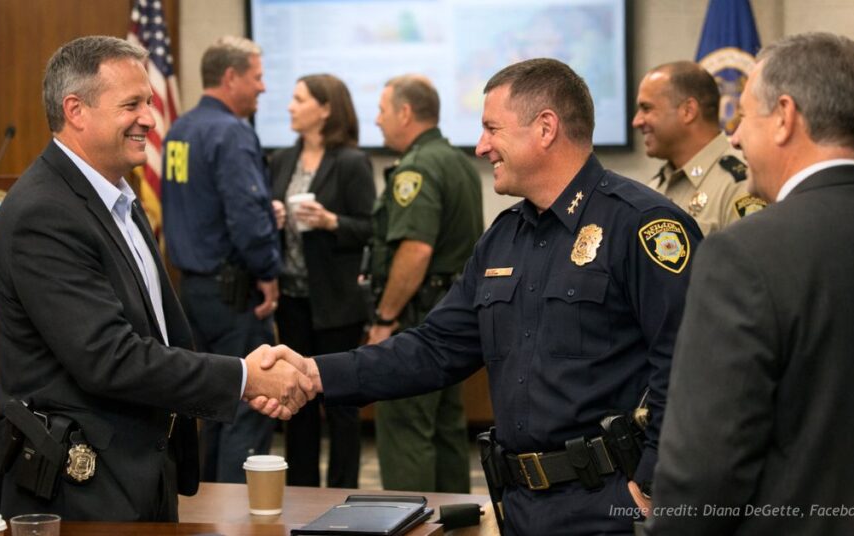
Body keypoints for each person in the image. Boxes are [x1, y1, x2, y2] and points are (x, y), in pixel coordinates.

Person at [256, 58, 704, 534]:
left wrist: (650, 486)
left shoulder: (643, 225)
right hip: (519, 506)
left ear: (546, 128)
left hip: (611, 506)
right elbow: (434, 349)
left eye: (493, 128)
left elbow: (690, 367)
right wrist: (315, 372)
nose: (481, 145)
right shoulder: (504, 236)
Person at [0, 35, 312, 522]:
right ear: (76, 110)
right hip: (75, 489)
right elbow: (109, 357)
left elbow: (156, 335)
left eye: (149, 102)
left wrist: (237, 368)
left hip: (136, 470)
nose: (151, 119)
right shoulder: (44, 213)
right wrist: (242, 377)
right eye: (132, 104)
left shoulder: (116, 199)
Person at [647, 33, 854, 535]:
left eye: (742, 117)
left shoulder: (741, 255)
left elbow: (705, 466)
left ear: (785, 116)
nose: (735, 138)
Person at [161, 36, 281, 483]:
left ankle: (208, 511)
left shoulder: (179, 129)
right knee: (246, 406)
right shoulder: (232, 132)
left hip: (192, 290)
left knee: (210, 406)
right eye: (257, 77)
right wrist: (269, 271)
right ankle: (239, 520)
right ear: (230, 77)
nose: (263, 88)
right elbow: (246, 218)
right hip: (234, 295)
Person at [366, 74, 483, 493]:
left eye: (382, 110)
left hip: (417, 316)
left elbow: (415, 251)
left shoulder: (416, 167)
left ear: (405, 112)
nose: (376, 121)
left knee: (406, 428)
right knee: (447, 426)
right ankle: (454, 520)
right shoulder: (457, 161)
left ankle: (410, 522)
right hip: (453, 311)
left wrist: (384, 318)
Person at [269, 74, 374, 488]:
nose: (290, 106)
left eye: (299, 99)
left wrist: (330, 221)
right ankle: (301, 494)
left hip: (337, 301)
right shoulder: (280, 159)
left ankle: (344, 492)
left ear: (326, 108)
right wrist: (273, 218)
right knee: (295, 402)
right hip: (291, 300)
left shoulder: (351, 162)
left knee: (341, 404)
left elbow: (369, 227)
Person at [633, 61, 765, 235]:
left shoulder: (741, 183)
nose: (636, 121)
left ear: (688, 111)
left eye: (646, 108)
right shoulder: (656, 185)